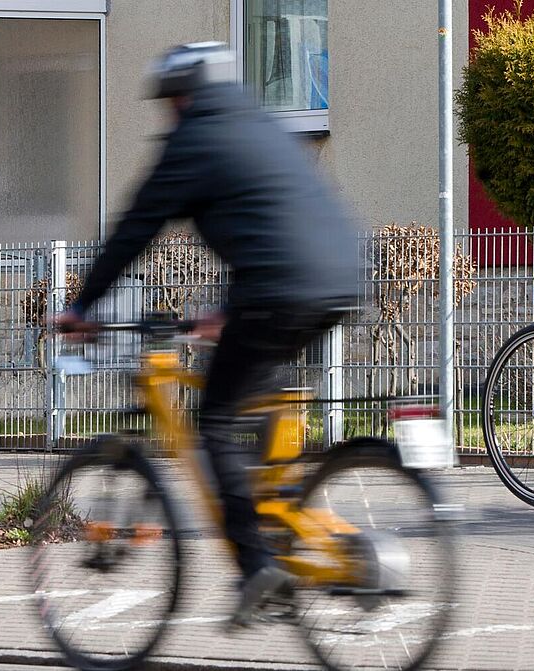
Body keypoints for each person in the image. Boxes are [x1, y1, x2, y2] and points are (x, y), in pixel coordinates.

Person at [56, 42, 363, 623]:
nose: (169, 113)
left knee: (215, 420)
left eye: (170, 102)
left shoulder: (192, 141)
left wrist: (82, 306)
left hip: (278, 288)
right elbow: (267, 221)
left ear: (183, 97)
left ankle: (256, 568)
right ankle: (281, 518)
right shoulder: (261, 126)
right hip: (337, 277)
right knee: (257, 395)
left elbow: (134, 229)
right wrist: (225, 309)